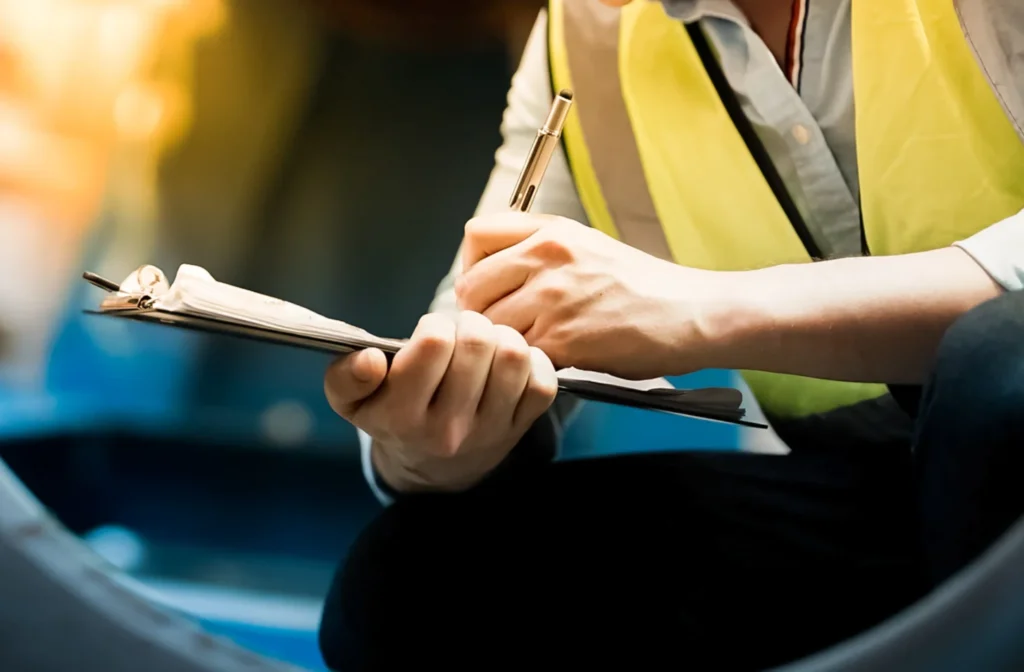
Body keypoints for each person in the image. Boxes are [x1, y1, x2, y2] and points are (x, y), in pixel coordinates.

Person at [318, 0, 1024, 669]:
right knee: (412, 587)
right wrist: (429, 446)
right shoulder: (586, 38)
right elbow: (478, 312)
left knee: (999, 364)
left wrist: (706, 311)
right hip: (877, 503)